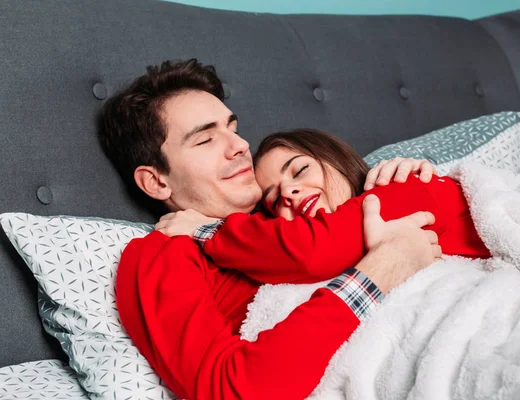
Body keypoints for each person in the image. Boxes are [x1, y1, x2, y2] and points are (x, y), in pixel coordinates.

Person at [101, 58, 441, 400]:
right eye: (205, 140)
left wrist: (400, 178)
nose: (240, 146)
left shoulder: (291, 210)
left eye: (232, 129)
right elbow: (232, 390)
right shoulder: (161, 254)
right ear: (156, 182)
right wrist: (381, 270)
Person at [157, 128, 490, 286]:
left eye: (300, 170)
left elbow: (314, 248)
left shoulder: (402, 185)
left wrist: (205, 229)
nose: (289, 192)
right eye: (274, 200)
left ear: (335, 159)